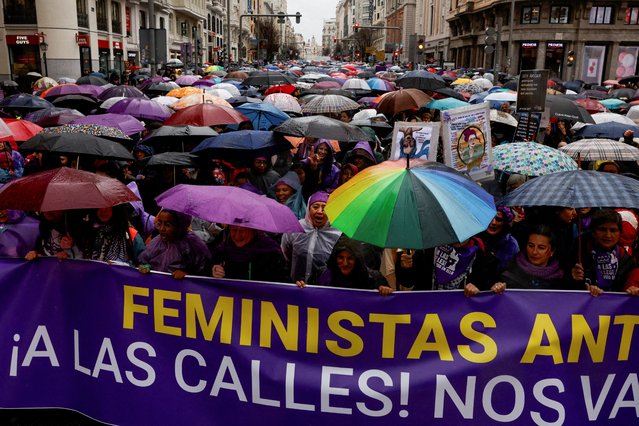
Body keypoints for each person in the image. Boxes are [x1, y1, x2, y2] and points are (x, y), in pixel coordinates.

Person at [570, 209, 639, 296]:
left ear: (620, 233)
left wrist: (633, 289)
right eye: (602, 229)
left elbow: (628, 288)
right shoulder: (577, 253)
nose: (608, 235)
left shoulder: (626, 260)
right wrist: (574, 280)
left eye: (613, 230)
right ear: (593, 232)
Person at [281, 191, 342, 283]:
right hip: (295, 286)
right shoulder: (295, 228)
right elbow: (285, 253)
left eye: (324, 208)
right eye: (315, 207)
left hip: (323, 288)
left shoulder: (337, 234)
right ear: (309, 209)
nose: (320, 211)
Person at [296, 238, 392, 295]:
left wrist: (386, 291)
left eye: (350, 258)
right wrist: (301, 287)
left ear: (357, 260)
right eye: (341, 258)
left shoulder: (374, 278)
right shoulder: (321, 275)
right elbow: (309, 297)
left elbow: (391, 304)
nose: (345, 263)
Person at [138, 209, 211, 279]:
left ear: (179, 226)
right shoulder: (156, 242)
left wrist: (187, 275)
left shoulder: (193, 244)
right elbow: (143, 260)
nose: (162, 229)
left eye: (167, 225)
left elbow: (204, 272)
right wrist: (145, 267)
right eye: (159, 223)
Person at [495, 225, 565, 291]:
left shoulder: (560, 279)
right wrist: (497, 289)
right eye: (531, 246)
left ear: (552, 251)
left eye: (541, 248)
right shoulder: (509, 276)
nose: (534, 252)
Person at [210, 225, 287, 282]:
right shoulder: (222, 249)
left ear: (253, 231)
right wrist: (214, 271)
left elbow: (284, 281)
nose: (237, 236)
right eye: (233, 230)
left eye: (242, 231)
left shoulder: (271, 252)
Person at [80, 205, 145, 265]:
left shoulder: (129, 234)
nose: (103, 210)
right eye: (100, 206)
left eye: (108, 206)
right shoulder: (88, 233)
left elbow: (143, 264)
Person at [480, 206, 520, 273]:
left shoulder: (511, 244)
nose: (493, 223)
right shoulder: (475, 237)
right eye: (490, 218)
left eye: (498, 219)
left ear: (504, 223)